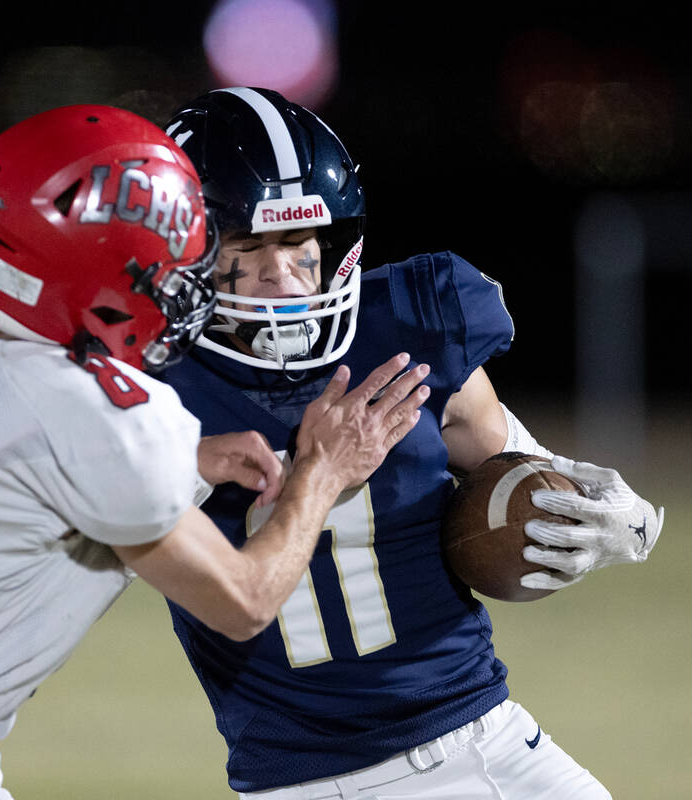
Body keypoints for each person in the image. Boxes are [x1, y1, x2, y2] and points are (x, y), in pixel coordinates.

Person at [0, 103, 432, 800]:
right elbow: (244, 601)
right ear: (81, 271)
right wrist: (322, 473)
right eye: (155, 270)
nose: (176, 288)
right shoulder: (105, 417)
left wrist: (195, 461)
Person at [158, 86, 665, 799]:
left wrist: (623, 524)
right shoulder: (149, 392)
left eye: (299, 243)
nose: (279, 275)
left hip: (489, 742)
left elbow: (529, 476)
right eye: (248, 246)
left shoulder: (409, 329)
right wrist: (318, 471)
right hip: (300, 780)